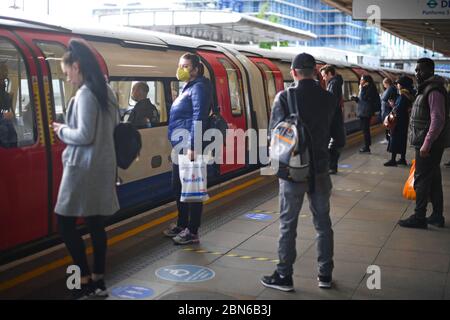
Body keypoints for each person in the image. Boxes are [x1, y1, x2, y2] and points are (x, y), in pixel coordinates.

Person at [261, 53, 341, 291]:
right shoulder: (329, 98)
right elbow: (340, 139)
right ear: (316, 71)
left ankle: (284, 276)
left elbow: (273, 137)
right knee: (323, 223)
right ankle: (325, 275)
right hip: (321, 171)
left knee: (288, 223)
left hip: (293, 171)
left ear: (293, 72)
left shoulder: (284, 97)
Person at [51, 39, 120, 298]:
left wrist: (62, 131)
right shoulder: (106, 91)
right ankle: (99, 281)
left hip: (82, 169)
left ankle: (84, 279)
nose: (67, 78)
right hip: (102, 167)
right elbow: (111, 128)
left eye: (67, 72)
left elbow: (84, 135)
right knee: (95, 224)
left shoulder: (86, 94)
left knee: (65, 222)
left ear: (77, 66)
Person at [164, 53, 211, 245]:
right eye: (180, 65)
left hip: (189, 145)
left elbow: (199, 116)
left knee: (192, 187)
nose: (180, 69)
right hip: (180, 144)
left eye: (185, 66)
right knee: (179, 186)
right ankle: (182, 223)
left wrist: (193, 146)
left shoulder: (199, 87)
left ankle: (192, 231)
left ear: (195, 69)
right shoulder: (188, 87)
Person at [399, 58, 448, 229]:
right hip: (428, 142)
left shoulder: (433, 91)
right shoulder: (426, 89)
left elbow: (438, 119)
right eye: (416, 70)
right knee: (433, 179)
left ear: (430, 71)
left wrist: (426, 144)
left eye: (420, 70)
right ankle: (437, 216)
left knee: (421, 179)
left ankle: (419, 216)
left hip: (429, 145)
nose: (417, 73)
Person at [320, 65, 346, 174]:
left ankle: (332, 167)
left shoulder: (334, 84)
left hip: (333, 118)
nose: (324, 78)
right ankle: (331, 166)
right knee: (333, 142)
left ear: (329, 73)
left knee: (333, 143)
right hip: (335, 118)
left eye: (324, 76)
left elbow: (332, 102)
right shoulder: (334, 83)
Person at [384, 76, 415, 167]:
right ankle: (402, 158)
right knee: (402, 139)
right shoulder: (408, 94)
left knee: (394, 138)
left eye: (398, 83)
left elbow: (399, 109)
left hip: (398, 121)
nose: (397, 85)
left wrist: (393, 105)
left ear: (402, 85)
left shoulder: (403, 95)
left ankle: (393, 160)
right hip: (404, 120)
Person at [353, 75, 380, 153]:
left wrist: (361, 89)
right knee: (365, 129)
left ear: (366, 81)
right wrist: (356, 99)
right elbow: (362, 99)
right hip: (364, 111)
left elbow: (365, 98)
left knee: (365, 130)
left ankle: (367, 147)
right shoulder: (367, 88)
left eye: (361, 79)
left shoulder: (368, 88)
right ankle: (367, 145)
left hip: (365, 112)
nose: (360, 81)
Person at [0, 62, 17, 148]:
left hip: (5, 118)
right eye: (4, 70)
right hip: (2, 121)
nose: (6, 72)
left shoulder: (3, 87)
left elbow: (5, 105)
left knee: (12, 135)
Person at [380, 77, 398, 144]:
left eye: (384, 84)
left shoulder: (390, 88)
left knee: (388, 125)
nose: (383, 86)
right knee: (388, 125)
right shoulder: (391, 88)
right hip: (387, 110)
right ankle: (388, 139)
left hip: (387, 110)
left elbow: (384, 98)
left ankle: (389, 139)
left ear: (387, 83)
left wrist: (382, 96)